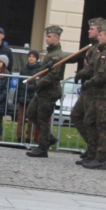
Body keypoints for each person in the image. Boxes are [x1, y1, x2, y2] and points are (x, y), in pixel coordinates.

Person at [79, 22, 106, 170]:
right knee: (89, 120)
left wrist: (88, 83)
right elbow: (92, 68)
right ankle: (92, 153)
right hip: (99, 93)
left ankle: (100, 159)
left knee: (102, 126)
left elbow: (102, 76)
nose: (98, 37)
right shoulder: (102, 52)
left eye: (101, 35)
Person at [72, 18, 106, 160]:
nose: (88, 31)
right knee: (77, 116)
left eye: (92, 29)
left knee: (90, 121)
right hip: (87, 89)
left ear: (99, 32)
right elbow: (76, 57)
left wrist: (80, 74)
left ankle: (96, 150)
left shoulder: (99, 49)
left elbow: (92, 69)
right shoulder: (91, 47)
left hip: (92, 89)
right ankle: (93, 147)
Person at [25, 26, 65, 157]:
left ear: (57, 38)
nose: (46, 38)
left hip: (50, 92)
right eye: (47, 36)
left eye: (49, 36)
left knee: (42, 118)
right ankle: (49, 137)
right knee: (31, 112)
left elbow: (53, 76)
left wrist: (36, 85)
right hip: (43, 91)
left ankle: (43, 147)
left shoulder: (58, 55)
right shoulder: (50, 53)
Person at [15, 50, 41, 142]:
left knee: (31, 119)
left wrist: (32, 87)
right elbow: (20, 83)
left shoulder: (39, 69)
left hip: (33, 97)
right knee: (20, 118)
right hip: (23, 96)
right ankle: (20, 137)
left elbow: (39, 83)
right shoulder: (23, 69)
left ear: (36, 59)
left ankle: (29, 137)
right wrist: (17, 96)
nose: (31, 58)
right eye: (30, 56)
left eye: (33, 57)